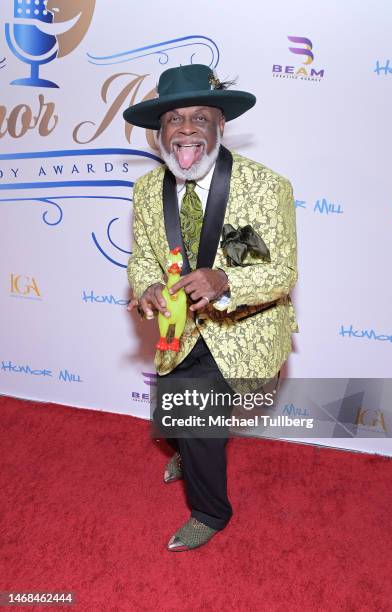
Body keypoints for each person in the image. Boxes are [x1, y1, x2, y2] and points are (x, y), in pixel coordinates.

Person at [123, 64, 298, 552]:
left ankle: (209, 512)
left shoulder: (261, 188)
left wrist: (225, 281)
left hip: (244, 328)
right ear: (161, 132)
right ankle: (192, 449)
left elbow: (278, 273)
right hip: (179, 328)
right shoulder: (146, 190)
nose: (185, 129)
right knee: (174, 411)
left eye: (199, 118)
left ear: (220, 126)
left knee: (196, 417)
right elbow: (141, 259)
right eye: (173, 119)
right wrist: (148, 288)